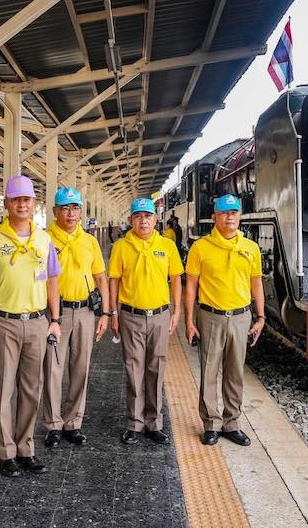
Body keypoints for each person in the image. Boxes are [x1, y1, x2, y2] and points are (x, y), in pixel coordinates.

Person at [0, 175, 61, 477]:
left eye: (27, 199)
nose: (22, 204)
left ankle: (26, 448)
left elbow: (52, 280)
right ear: (7, 203)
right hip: (3, 322)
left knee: (31, 389)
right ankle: (5, 452)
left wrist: (56, 320)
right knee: (2, 390)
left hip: (37, 322)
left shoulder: (44, 239)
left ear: (34, 204)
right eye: (16, 199)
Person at [185, 194, 266, 447]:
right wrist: (189, 321)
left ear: (239, 215)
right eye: (224, 212)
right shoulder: (200, 248)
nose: (230, 216)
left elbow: (257, 285)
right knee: (209, 371)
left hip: (241, 317)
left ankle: (232, 424)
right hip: (210, 316)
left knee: (235, 373)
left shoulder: (251, 248)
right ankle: (211, 424)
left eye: (234, 212)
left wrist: (261, 316)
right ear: (214, 217)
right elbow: (191, 287)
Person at [108, 198, 183, 445]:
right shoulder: (121, 246)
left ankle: (154, 423)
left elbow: (176, 279)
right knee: (133, 369)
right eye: (138, 216)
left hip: (160, 315)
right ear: (131, 220)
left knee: (156, 368)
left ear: (156, 219)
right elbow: (114, 282)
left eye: (148, 216)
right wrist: (113, 314)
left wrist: (177, 311)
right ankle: (134, 423)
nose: (143, 220)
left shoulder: (167, 246)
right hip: (131, 316)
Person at [42, 187, 110, 448]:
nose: (71, 213)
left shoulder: (89, 241)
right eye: (65, 208)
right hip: (54, 314)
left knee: (80, 367)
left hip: (85, 312)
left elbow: (100, 277)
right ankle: (53, 425)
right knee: (53, 368)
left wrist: (105, 312)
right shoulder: (45, 239)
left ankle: (73, 423)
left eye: (75, 208)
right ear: (55, 211)